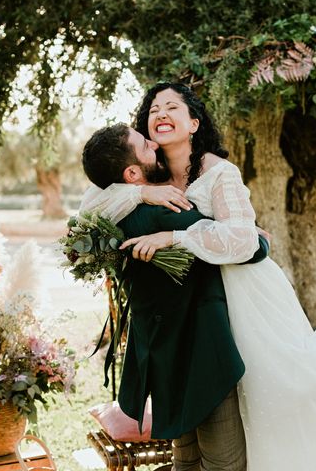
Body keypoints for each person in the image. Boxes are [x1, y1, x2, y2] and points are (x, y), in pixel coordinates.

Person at [81, 84, 316, 470]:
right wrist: (142, 197)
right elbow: (86, 212)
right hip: (195, 313)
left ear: (193, 123)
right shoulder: (144, 181)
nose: (161, 113)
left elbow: (242, 240)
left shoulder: (218, 171)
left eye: (173, 107)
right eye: (154, 109)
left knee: (275, 397)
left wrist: (173, 236)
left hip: (245, 295)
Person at [82, 123, 270, 470]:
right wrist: (256, 237)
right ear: (133, 172)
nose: (153, 142)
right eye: (144, 144)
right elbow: (252, 249)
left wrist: (138, 193)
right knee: (223, 461)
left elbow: (87, 204)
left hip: (161, 350)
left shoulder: (108, 218)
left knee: (185, 457)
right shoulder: (163, 210)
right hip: (202, 349)